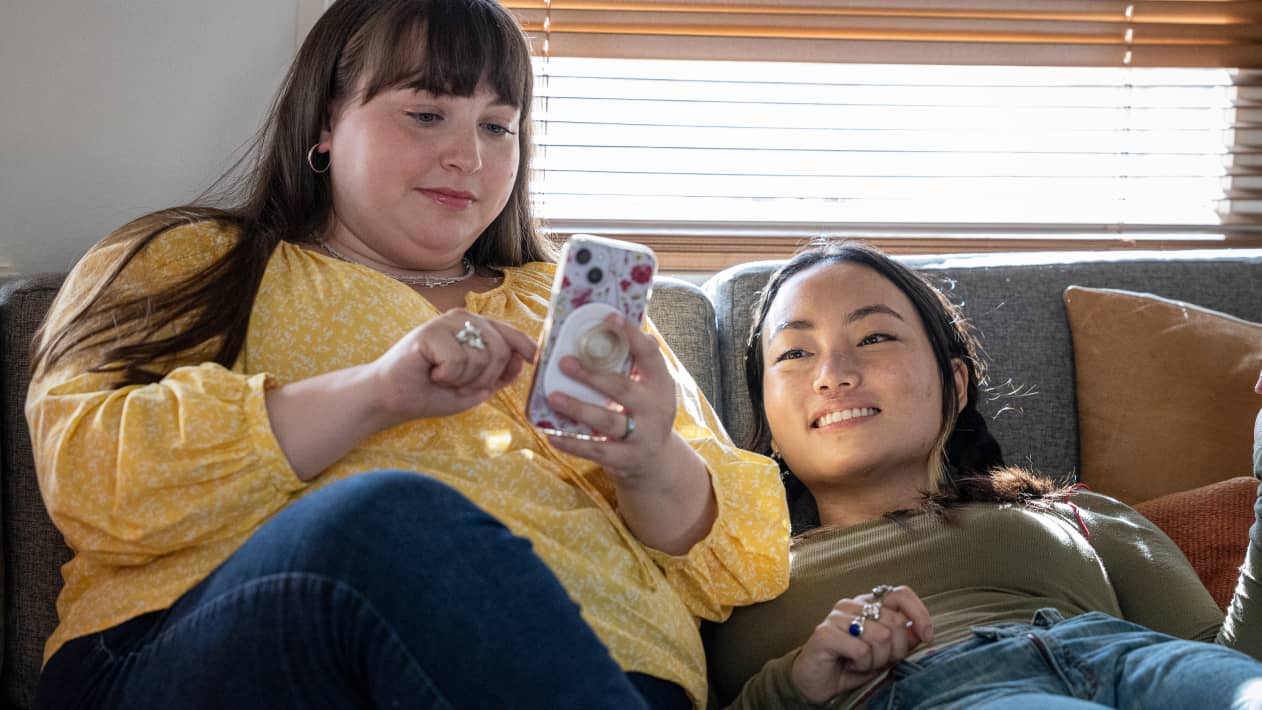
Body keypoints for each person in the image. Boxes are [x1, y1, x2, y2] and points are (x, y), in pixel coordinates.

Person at [25, 1, 790, 708]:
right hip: (224, 652)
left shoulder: (570, 304)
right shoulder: (194, 261)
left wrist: (649, 459)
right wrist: (375, 392)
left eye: (498, 127)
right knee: (389, 516)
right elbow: (92, 476)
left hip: (614, 673)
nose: (468, 156)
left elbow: (746, 563)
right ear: (327, 122)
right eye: (427, 113)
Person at [706, 240, 1262, 709]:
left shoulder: (1075, 514)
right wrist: (794, 683)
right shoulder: (725, 575)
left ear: (956, 384)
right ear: (770, 421)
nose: (833, 375)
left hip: (1132, 659)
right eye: (795, 353)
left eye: (874, 338)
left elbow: (1233, 660)